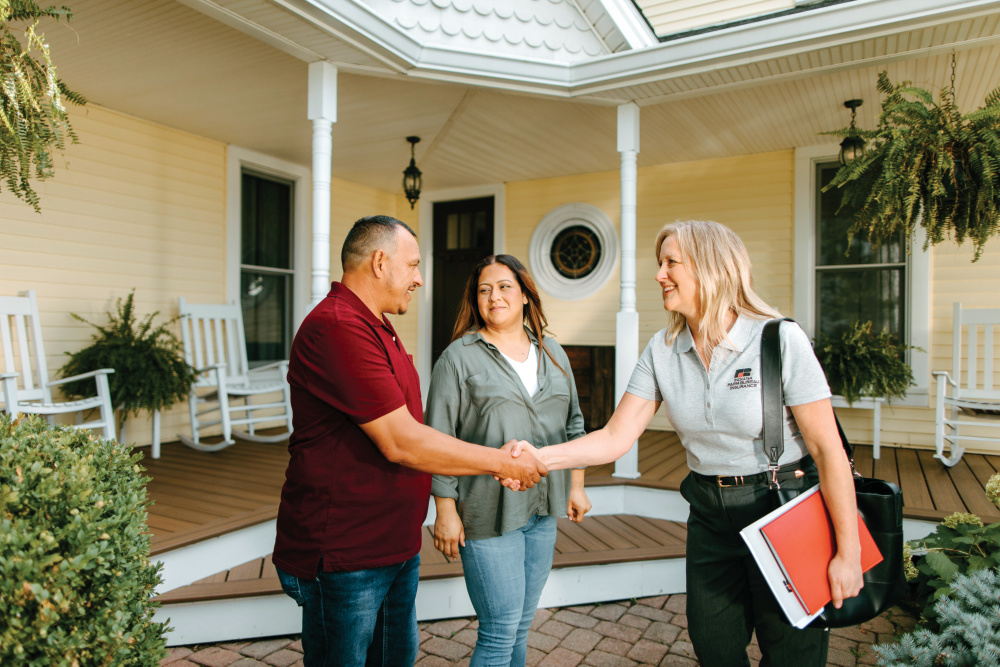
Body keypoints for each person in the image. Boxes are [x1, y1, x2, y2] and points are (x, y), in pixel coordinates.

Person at [508, 220, 863, 666]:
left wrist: (847, 552)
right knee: (714, 647)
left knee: (793, 654)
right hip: (711, 517)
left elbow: (829, 449)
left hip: (783, 507)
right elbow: (615, 437)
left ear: (712, 267)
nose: (659, 274)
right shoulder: (662, 349)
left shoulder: (777, 339)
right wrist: (542, 457)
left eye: (671, 262)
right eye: (660, 263)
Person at [272, 216, 548, 667]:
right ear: (381, 262)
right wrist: (500, 462)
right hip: (346, 555)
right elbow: (403, 441)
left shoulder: (375, 325)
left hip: (392, 546)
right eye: (414, 265)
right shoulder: (338, 327)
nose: (420, 278)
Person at [426, 255, 591, 666]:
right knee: (499, 632)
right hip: (486, 512)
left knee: (520, 625)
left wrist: (577, 485)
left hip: (543, 510)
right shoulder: (458, 359)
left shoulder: (552, 352)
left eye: (503, 287)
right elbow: (439, 440)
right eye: (484, 290)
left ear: (524, 296)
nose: (494, 296)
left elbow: (574, 422)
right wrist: (444, 510)